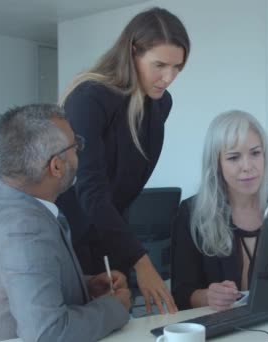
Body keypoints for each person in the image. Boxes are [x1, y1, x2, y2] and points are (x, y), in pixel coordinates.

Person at [55, 7, 190, 314]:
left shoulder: (160, 104)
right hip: (72, 237)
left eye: (177, 68)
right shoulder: (89, 98)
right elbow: (91, 191)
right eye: (160, 65)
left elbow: (123, 190)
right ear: (132, 52)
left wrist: (128, 255)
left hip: (111, 234)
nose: (168, 78)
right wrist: (141, 261)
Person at [0, 104, 131, 342]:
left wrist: (87, 285)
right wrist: (115, 308)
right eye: (76, 146)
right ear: (56, 166)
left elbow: (24, 283)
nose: (79, 154)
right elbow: (49, 334)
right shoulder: (25, 231)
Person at [171, 110, 268, 311]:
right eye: (234, 157)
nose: (247, 166)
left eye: (255, 153)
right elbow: (181, 294)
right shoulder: (192, 213)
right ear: (216, 164)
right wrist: (208, 297)